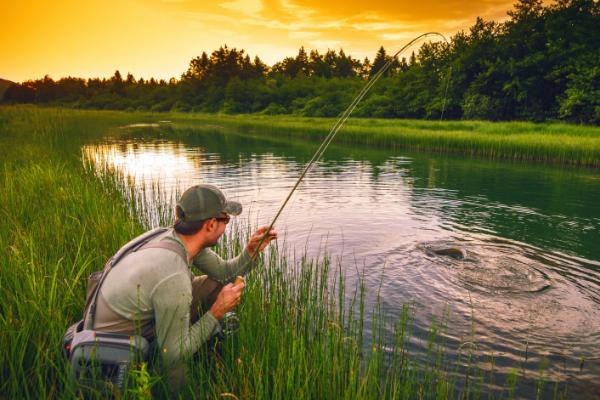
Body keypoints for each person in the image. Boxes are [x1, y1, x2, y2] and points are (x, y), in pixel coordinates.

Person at [91, 184, 277, 390]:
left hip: (135, 317)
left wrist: (251, 251)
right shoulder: (173, 274)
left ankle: (194, 340)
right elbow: (171, 355)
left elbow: (225, 273)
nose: (227, 226)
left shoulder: (175, 238)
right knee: (176, 362)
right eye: (225, 220)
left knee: (216, 283)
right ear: (210, 224)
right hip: (119, 343)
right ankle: (178, 391)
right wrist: (216, 312)